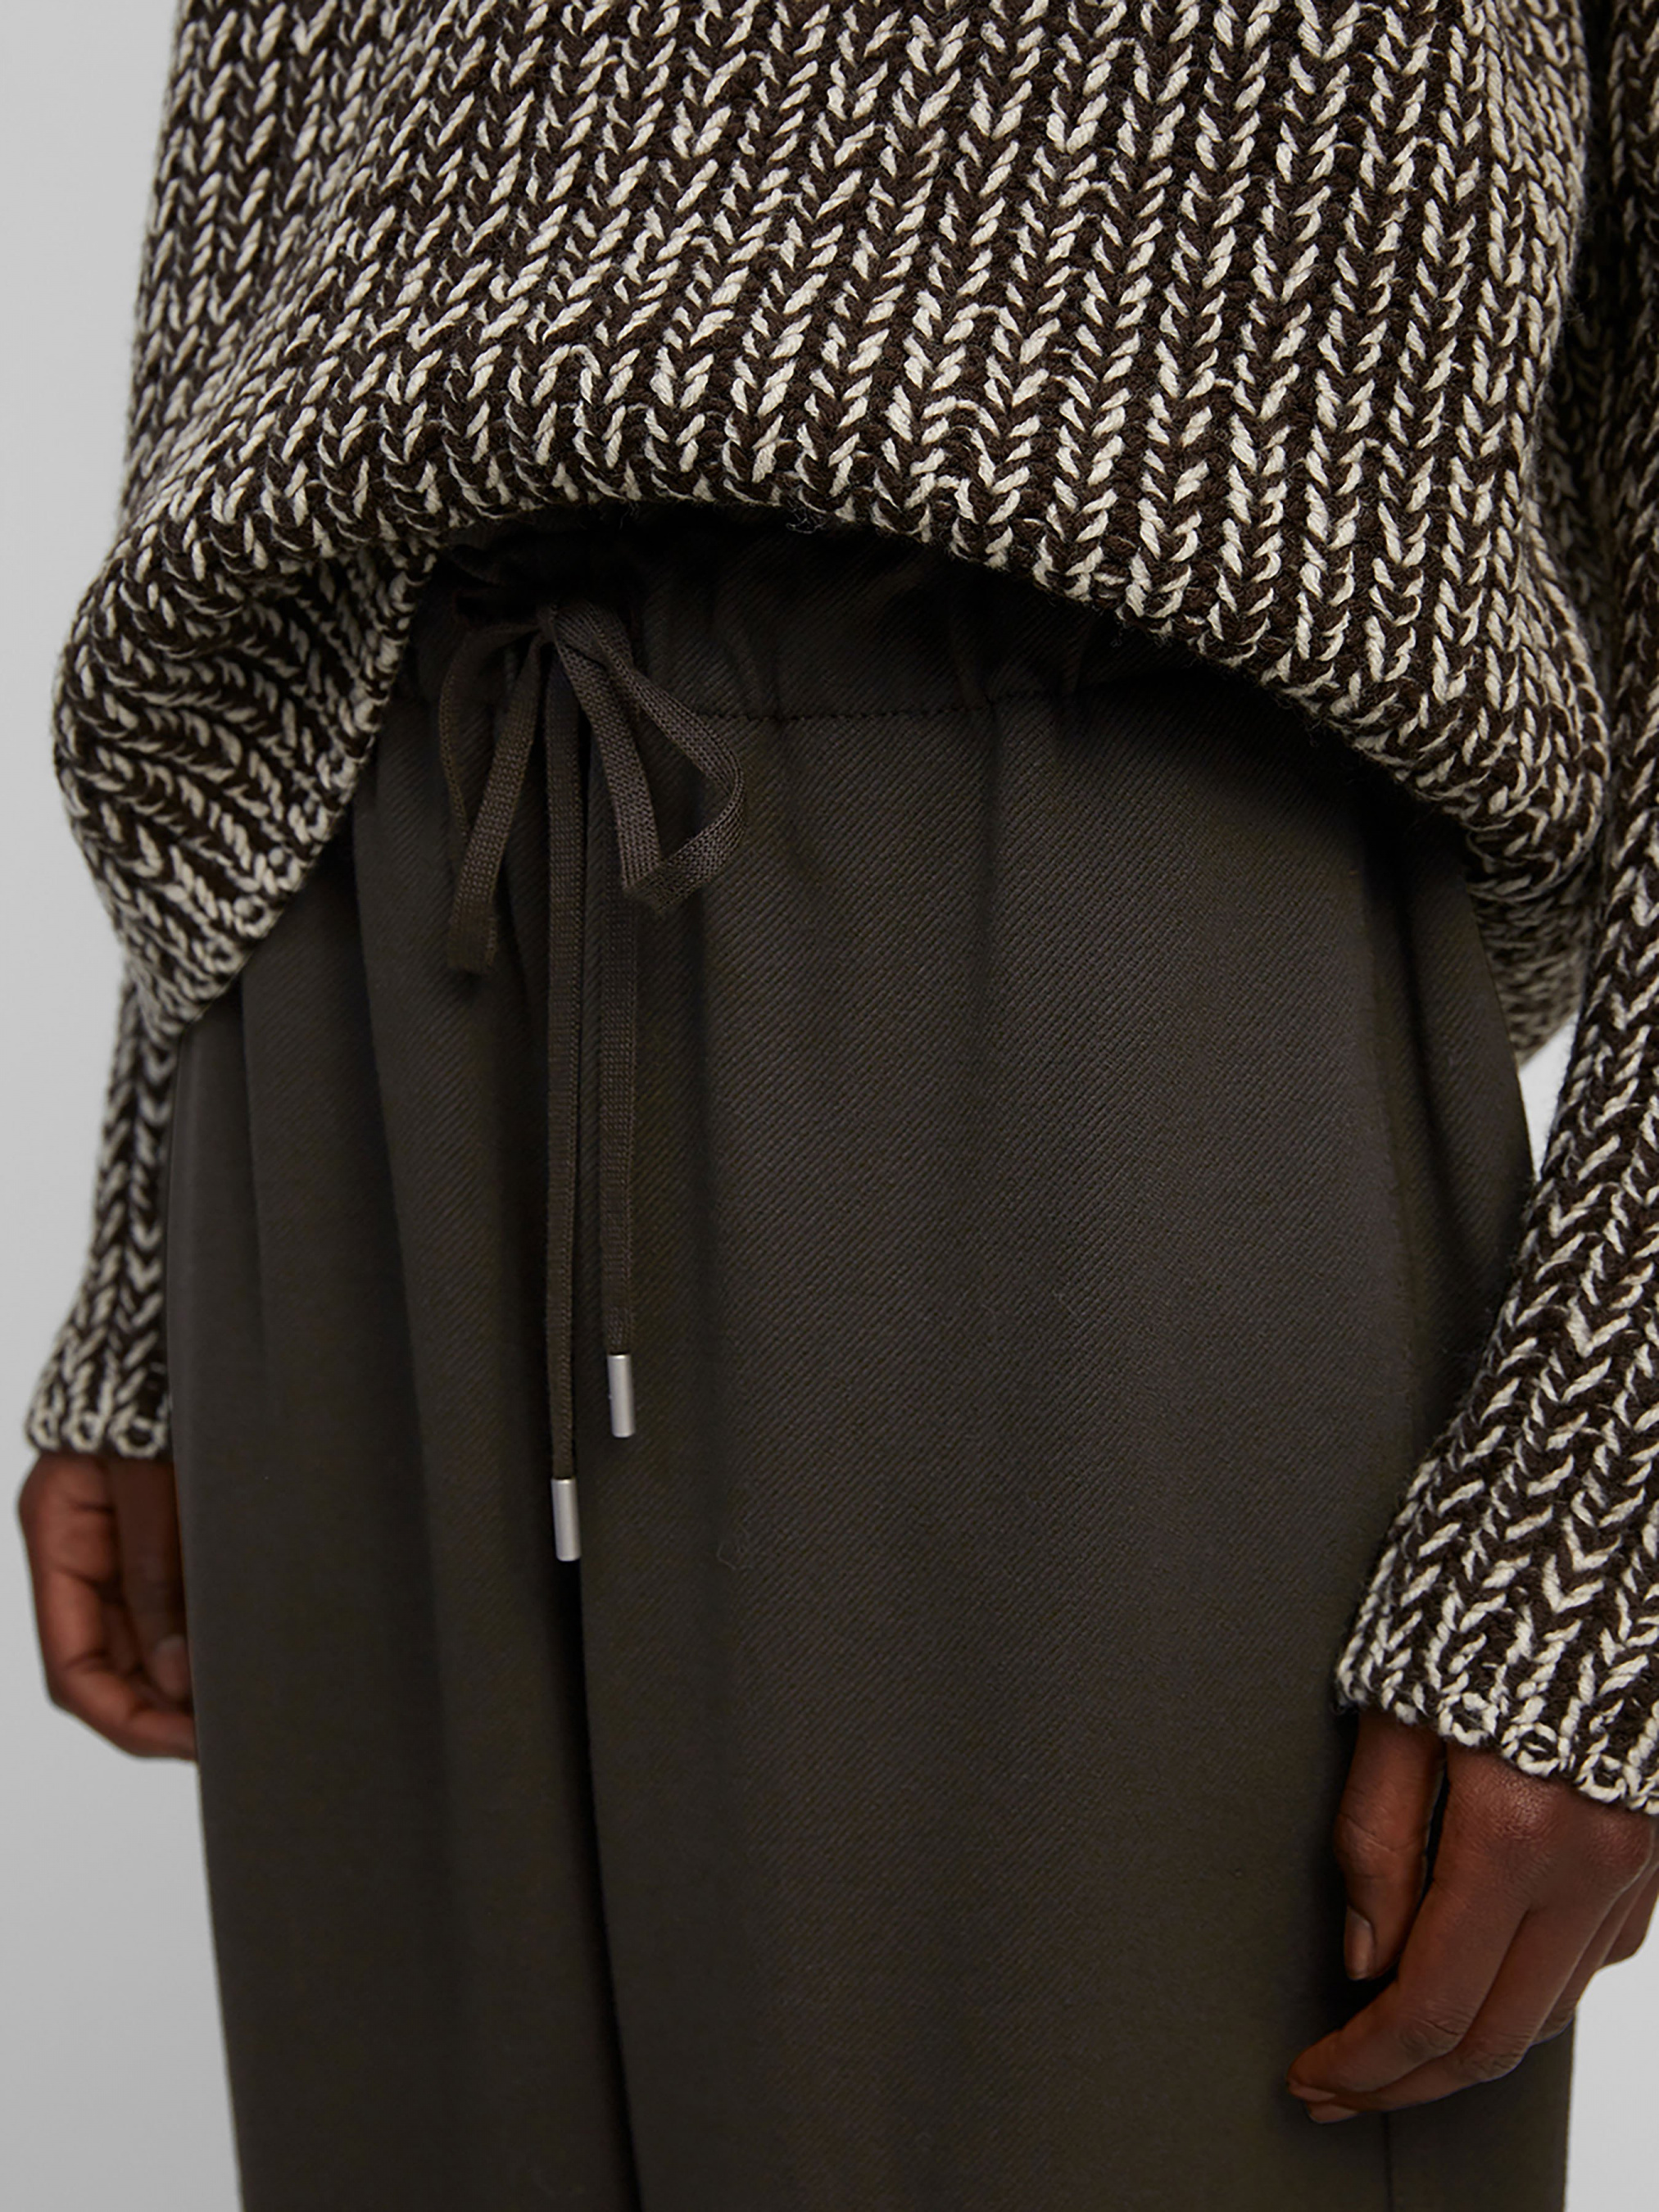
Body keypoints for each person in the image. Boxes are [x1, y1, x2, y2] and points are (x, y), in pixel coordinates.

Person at [14, 5, 1659, 2207]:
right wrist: (145, 1243)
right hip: (361, 912)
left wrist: (1600, 1520)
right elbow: (262, 180)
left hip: (1115, 896)